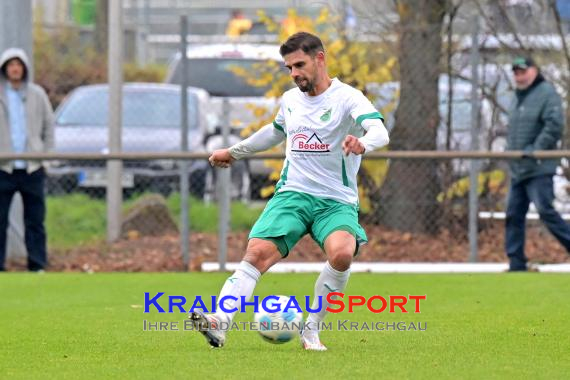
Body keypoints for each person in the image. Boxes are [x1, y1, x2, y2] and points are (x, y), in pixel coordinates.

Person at [190, 32, 389, 350]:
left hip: (335, 201)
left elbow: (380, 129)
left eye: (300, 65)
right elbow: (274, 131)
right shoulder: (290, 100)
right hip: (292, 194)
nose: (295, 73)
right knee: (255, 254)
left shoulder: (348, 97)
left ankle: (311, 332)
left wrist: (364, 141)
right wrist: (234, 151)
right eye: (289, 68)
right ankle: (219, 321)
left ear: (319, 59)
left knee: (341, 254)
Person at [505, 56, 570, 271]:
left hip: (539, 166)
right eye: (516, 72)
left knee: (545, 210)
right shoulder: (517, 97)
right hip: (518, 167)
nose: (519, 76)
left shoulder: (546, 93)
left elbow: (554, 125)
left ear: (534, 71)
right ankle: (516, 263)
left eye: (523, 71)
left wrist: (536, 149)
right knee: (514, 214)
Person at [0, 48, 54, 272]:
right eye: (10, 65)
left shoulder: (37, 95)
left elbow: (48, 128)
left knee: (35, 220)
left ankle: (37, 264)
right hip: (4, 168)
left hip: (32, 168)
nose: (15, 69)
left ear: (25, 68)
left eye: (18, 64)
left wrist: (45, 159)